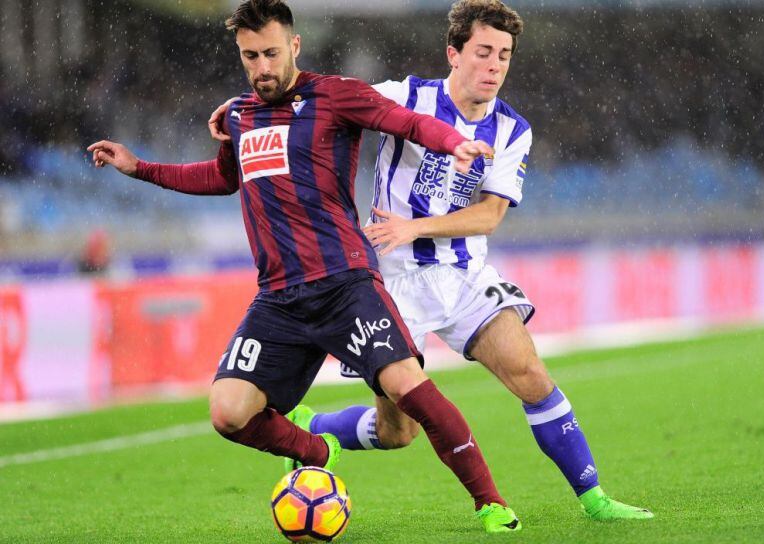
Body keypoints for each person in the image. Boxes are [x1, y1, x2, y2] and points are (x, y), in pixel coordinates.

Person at [208, 0, 653, 524]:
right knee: (399, 432)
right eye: (483, 52)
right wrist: (242, 105)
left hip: (463, 275)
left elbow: (488, 217)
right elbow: (313, 94)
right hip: (393, 278)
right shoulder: (405, 95)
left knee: (531, 373)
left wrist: (415, 227)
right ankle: (321, 425)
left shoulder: (513, 131)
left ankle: (594, 498)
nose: (494, 66)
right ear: (454, 53)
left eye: (504, 55)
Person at [88, 0, 521, 534]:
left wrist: (454, 141)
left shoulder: (335, 95)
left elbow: (407, 121)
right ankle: (318, 451)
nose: (263, 67)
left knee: (409, 395)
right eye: (251, 57)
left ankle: (490, 504)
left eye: (272, 52)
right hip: (279, 298)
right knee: (228, 411)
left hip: (345, 283)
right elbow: (225, 179)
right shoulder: (241, 116)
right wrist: (141, 168)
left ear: (294, 45)